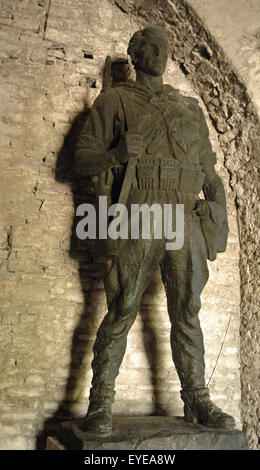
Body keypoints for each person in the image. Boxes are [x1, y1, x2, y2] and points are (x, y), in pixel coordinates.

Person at [75, 25, 235, 433]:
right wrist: (115, 152)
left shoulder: (188, 108)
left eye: (164, 47)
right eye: (150, 46)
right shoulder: (114, 101)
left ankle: (197, 399)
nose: (160, 53)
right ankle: (101, 403)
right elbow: (80, 162)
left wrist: (219, 214)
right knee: (123, 308)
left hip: (182, 213)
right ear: (134, 53)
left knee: (187, 310)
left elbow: (208, 172)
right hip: (139, 211)